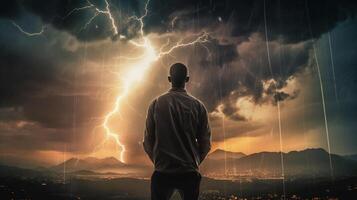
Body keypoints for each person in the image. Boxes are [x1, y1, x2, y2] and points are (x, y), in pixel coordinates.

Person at [143, 63, 211, 200]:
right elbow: (205, 144)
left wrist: (159, 163)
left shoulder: (155, 104)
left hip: (162, 172)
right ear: (187, 79)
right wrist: (193, 163)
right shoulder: (198, 106)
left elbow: (147, 142)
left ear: (169, 79)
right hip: (189, 173)